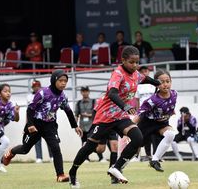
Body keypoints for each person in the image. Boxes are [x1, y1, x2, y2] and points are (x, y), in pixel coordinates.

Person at [68, 46, 160, 187]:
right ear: (123, 60)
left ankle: (116, 168)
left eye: (137, 62)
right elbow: (112, 93)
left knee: (138, 138)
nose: (135, 65)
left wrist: (156, 82)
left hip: (120, 117)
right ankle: (73, 172)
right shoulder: (118, 73)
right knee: (90, 147)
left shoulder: (135, 73)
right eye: (131, 62)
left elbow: (144, 78)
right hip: (105, 117)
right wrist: (126, 106)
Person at [3, 70, 83, 182]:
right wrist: (30, 125)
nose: (63, 83)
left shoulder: (63, 96)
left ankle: (60, 175)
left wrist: (75, 126)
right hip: (35, 124)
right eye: (61, 81)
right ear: (54, 80)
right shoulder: (43, 93)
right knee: (25, 149)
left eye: (65, 81)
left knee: (55, 148)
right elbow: (30, 109)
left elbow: (68, 111)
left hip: (50, 126)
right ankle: (11, 152)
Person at [132, 69, 176, 172]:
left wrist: (171, 111)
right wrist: (128, 127)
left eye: (167, 81)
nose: (165, 84)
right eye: (161, 82)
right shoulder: (152, 100)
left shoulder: (174, 94)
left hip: (161, 125)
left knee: (171, 134)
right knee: (134, 146)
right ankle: (117, 167)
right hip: (147, 125)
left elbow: (171, 106)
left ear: (171, 82)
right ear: (156, 84)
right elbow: (139, 115)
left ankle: (155, 160)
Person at [134, 66, 160, 161]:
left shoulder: (154, 84)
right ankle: (144, 155)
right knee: (142, 134)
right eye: (142, 71)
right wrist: (137, 112)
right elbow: (137, 100)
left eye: (146, 71)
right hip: (143, 112)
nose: (144, 73)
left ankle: (156, 156)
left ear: (149, 72)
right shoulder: (138, 85)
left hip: (153, 112)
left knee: (154, 134)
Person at [26, 80, 53, 163]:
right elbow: (29, 110)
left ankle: (52, 156)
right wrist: (28, 123)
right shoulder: (30, 96)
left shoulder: (45, 94)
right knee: (36, 139)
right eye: (35, 86)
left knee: (49, 139)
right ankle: (39, 157)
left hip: (45, 119)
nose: (36, 88)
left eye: (38, 86)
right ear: (32, 87)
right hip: (34, 120)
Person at [75, 86, 104, 162]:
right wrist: (75, 125)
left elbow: (97, 113)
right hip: (83, 126)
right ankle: (85, 158)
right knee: (84, 142)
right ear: (81, 92)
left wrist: (88, 115)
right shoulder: (78, 103)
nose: (85, 93)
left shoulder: (94, 101)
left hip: (92, 125)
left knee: (94, 142)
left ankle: (101, 157)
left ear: (89, 92)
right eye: (83, 91)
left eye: (86, 91)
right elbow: (76, 114)